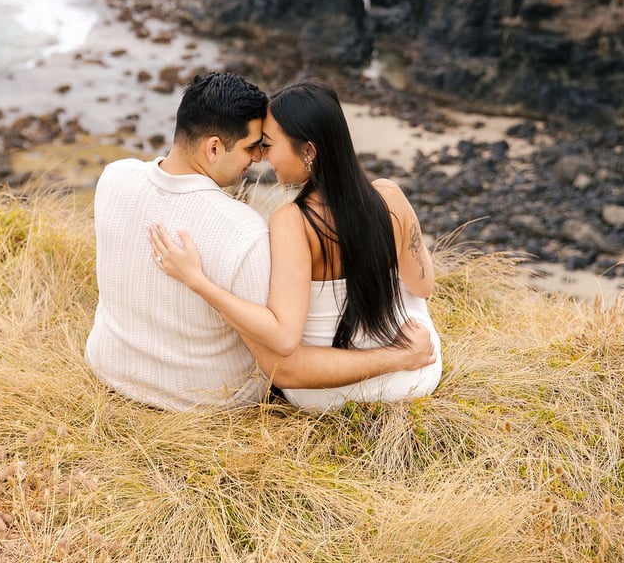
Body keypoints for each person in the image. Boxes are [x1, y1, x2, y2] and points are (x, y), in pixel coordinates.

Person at [86, 71, 437, 410]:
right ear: (213, 148)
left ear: (309, 151)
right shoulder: (384, 197)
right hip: (411, 376)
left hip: (114, 366)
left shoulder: (114, 175)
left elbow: (284, 341)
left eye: (266, 146)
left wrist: (197, 280)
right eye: (255, 146)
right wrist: (403, 353)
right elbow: (422, 286)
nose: (259, 159)